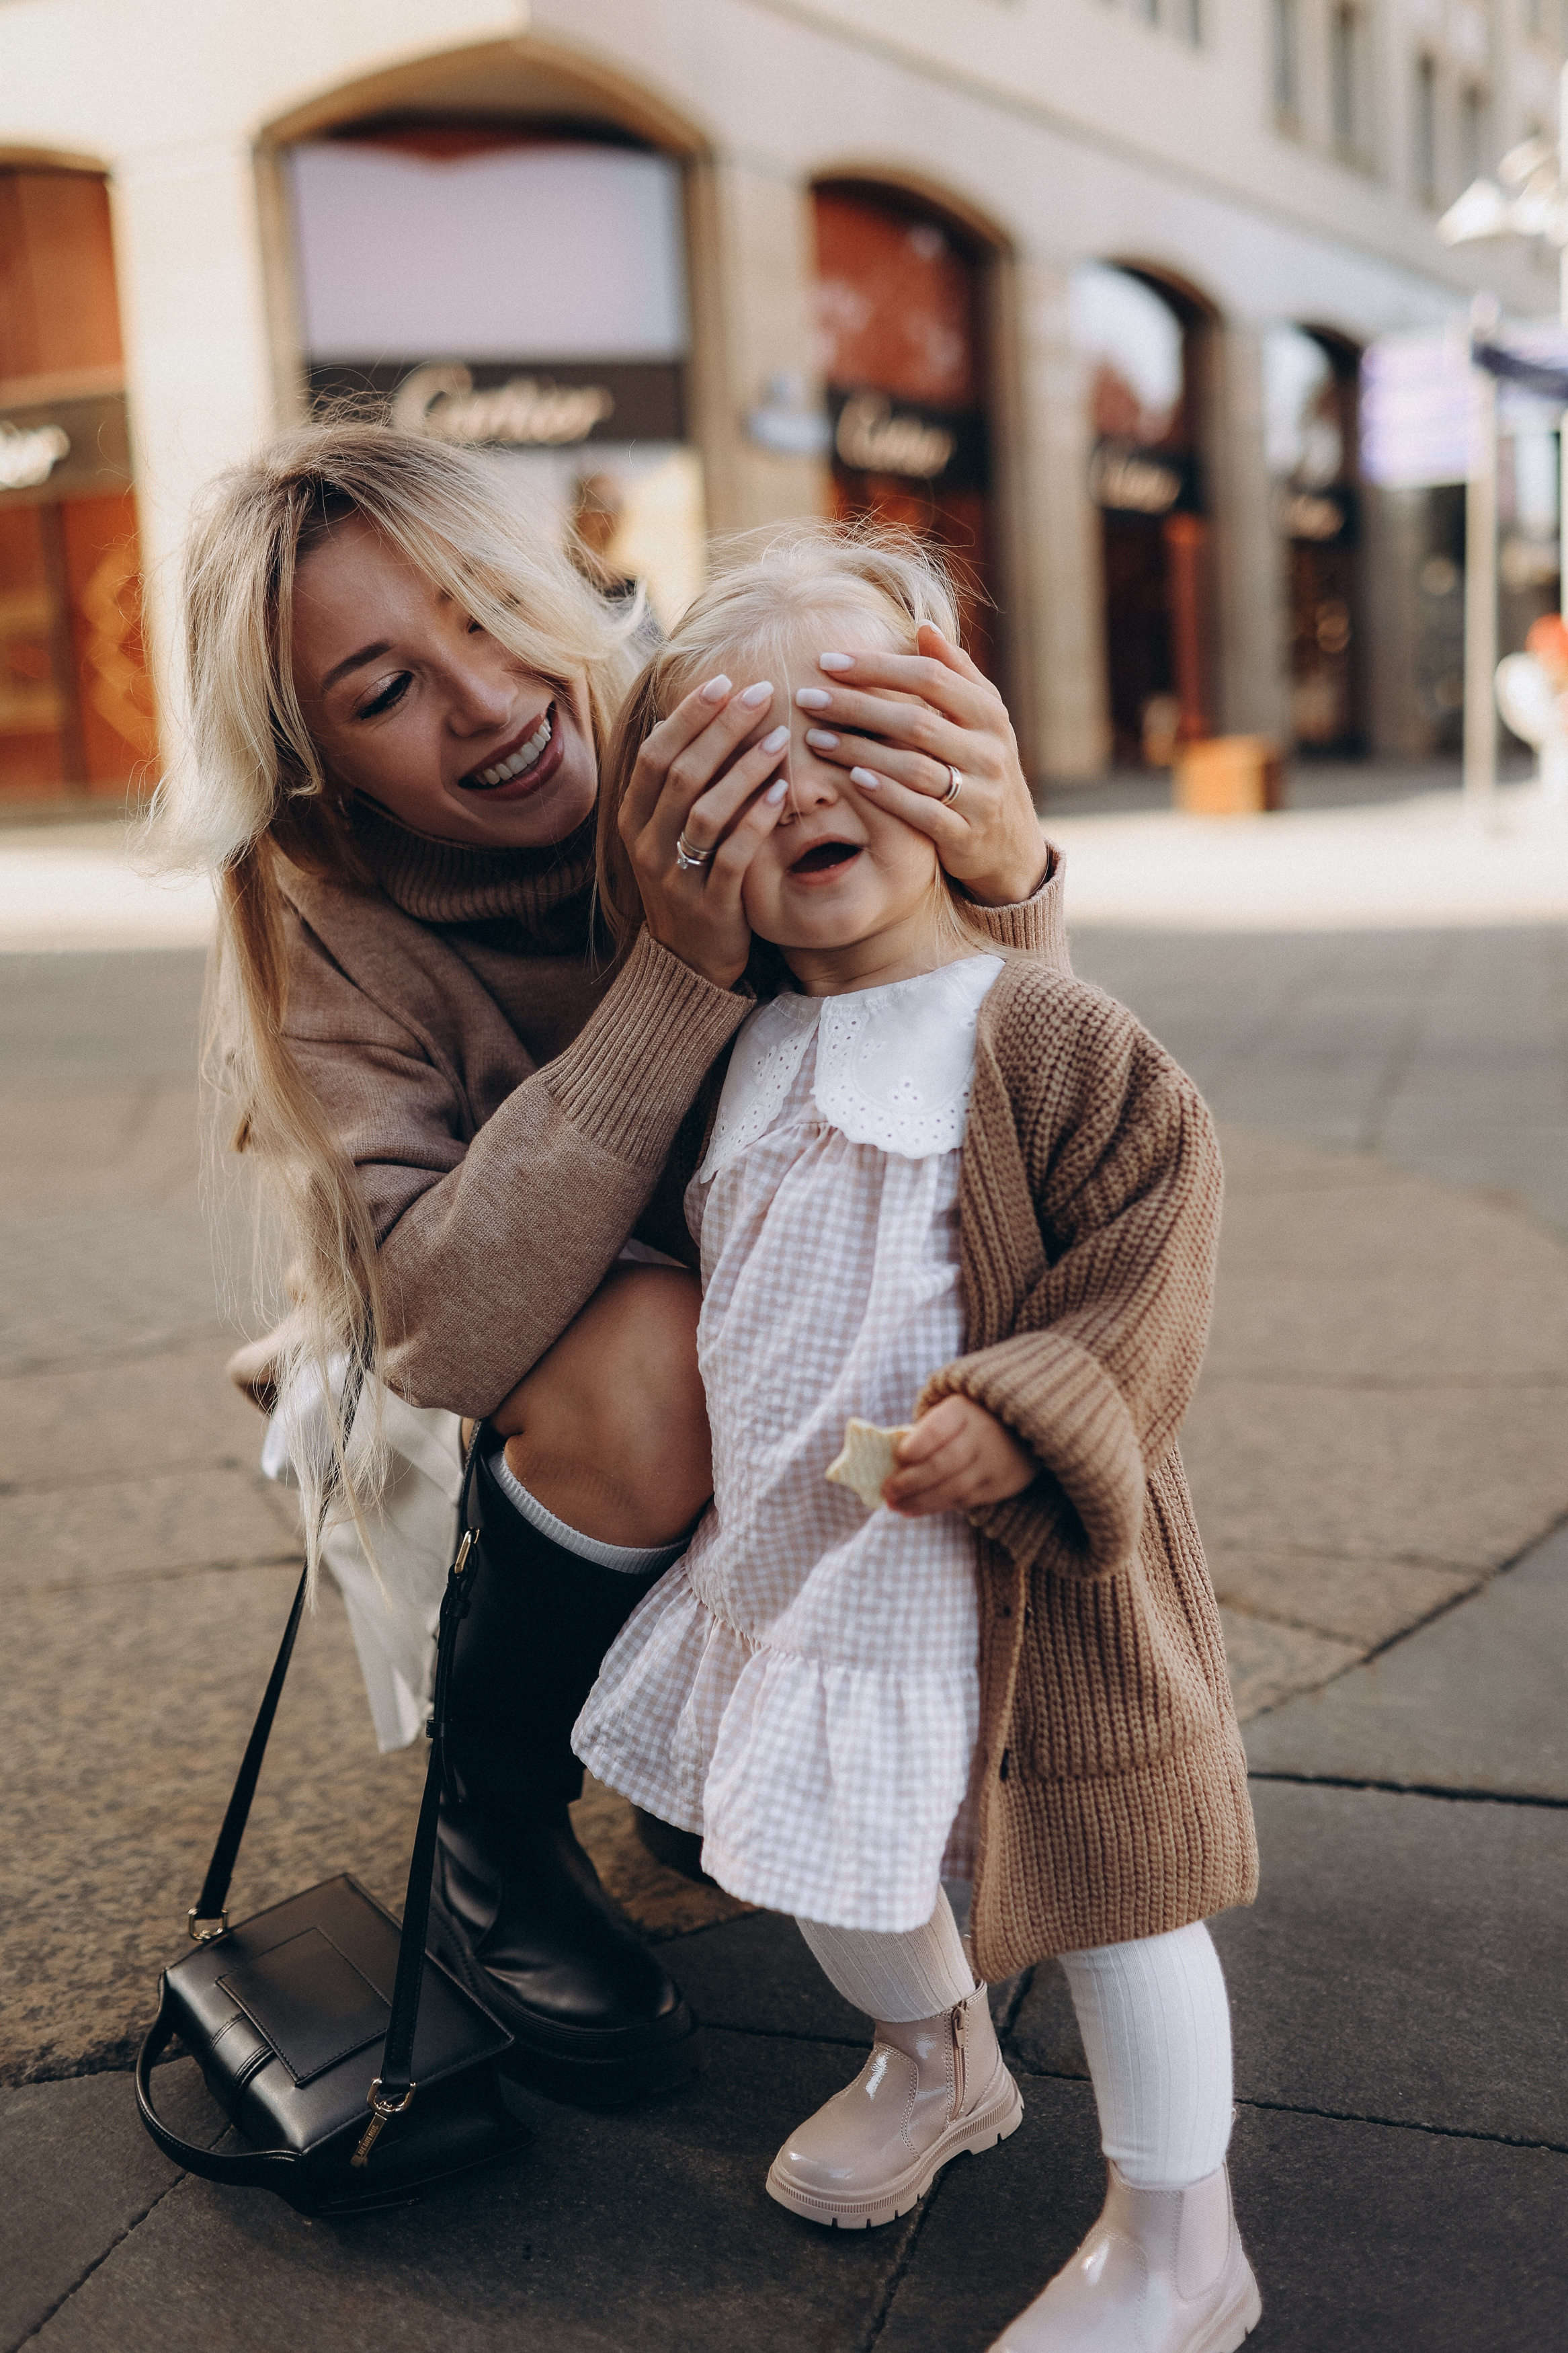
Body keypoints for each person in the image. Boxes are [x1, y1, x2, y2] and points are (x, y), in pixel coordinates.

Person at [160, 422, 1058, 2111]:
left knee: (945, 1314)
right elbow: (444, 1329)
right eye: (385, 689)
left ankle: (717, 1723)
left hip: (790, 1290)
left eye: (493, 609)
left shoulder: (715, 717)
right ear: (318, 766)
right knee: (655, 1352)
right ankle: (491, 1815)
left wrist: (1006, 878)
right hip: (511, 1373)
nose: (490, 699)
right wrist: (679, 979)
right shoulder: (328, 920)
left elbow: (1007, 1126)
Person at [576, 526, 1262, 2352]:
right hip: (809, 1574)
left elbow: (1150, 1250)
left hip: (1023, 1578)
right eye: (741, 767)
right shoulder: (741, 1051)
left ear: (959, 750)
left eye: (857, 733)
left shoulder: (1038, 1031)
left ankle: (1178, 2236)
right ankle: (931, 2051)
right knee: (810, 1836)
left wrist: (1026, 1415)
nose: (807, 791)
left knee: (1118, 1896)